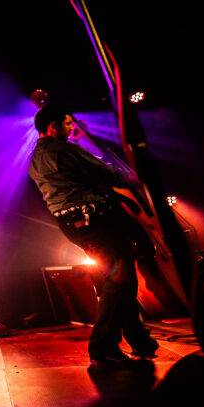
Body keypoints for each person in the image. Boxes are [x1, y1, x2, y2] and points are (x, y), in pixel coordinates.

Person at [28, 102, 159, 369]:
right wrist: (137, 179)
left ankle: (138, 340)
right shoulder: (65, 149)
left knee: (115, 279)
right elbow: (106, 174)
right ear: (53, 127)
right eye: (66, 125)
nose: (69, 129)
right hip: (96, 219)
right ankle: (103, 346)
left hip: (73, 225)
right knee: (121, 282)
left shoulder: (34, 159)